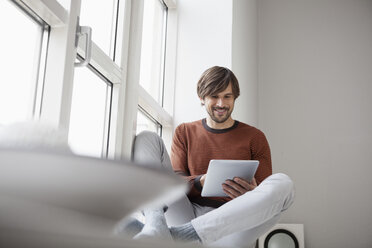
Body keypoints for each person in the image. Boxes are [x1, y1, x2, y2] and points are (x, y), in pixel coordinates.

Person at [117, 66, 295, 248]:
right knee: (148, 139)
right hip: (186, 213)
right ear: (202, 98)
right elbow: (174, 183)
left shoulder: (255, 137)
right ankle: (155, 226)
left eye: (227, 96)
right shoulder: (185, 132)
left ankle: (176, 237)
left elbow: (268, 192)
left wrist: (254, 192)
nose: (221, 104)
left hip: (234, 224)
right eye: (214, 96)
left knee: (284, 183)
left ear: (235, 98)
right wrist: (200, 181)